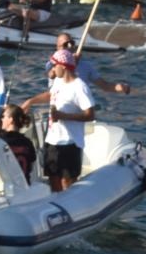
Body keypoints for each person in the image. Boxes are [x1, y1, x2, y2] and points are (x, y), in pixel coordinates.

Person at [20, 49, 94, 193]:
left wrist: (62, 116)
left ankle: (72, 204)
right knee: (53, 178)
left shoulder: (80, 87)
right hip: (52, 140)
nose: (53, 69)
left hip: (70, 141)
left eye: (54, 66)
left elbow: (90, 115)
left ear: (63, 66)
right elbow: (50, 94)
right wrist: (30, 101)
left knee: (67, 181)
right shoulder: (58, 81)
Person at [47, 31, 131, 97]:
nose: (69, 46)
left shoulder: (86, 66)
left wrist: (121, 88)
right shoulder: (53, 63)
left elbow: (105, 86)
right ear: (58, 48)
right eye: (65, 44)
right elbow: (54, 74)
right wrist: (73, 63)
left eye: (71, 43)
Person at [0, 104, 39, 183]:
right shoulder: (28, 143)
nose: (2, 119)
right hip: (24, 185)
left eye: (3, 116)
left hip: (5, 186)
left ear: (11, 120)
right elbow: (31, 167)